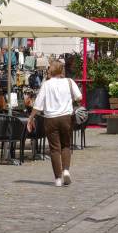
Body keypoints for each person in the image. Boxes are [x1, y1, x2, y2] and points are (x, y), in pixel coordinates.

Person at [26, 60, 81, 188]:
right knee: (66, 145)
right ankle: (66, 170)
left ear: (51, 70)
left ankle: (57, 179)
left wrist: (31, 118)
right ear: (61, 70)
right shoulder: (69, 82)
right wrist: (69, 99)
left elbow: (38, 104)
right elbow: (79, 97)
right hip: (66, 117)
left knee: (54, 149)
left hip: (50, 119)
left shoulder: (47, 84)